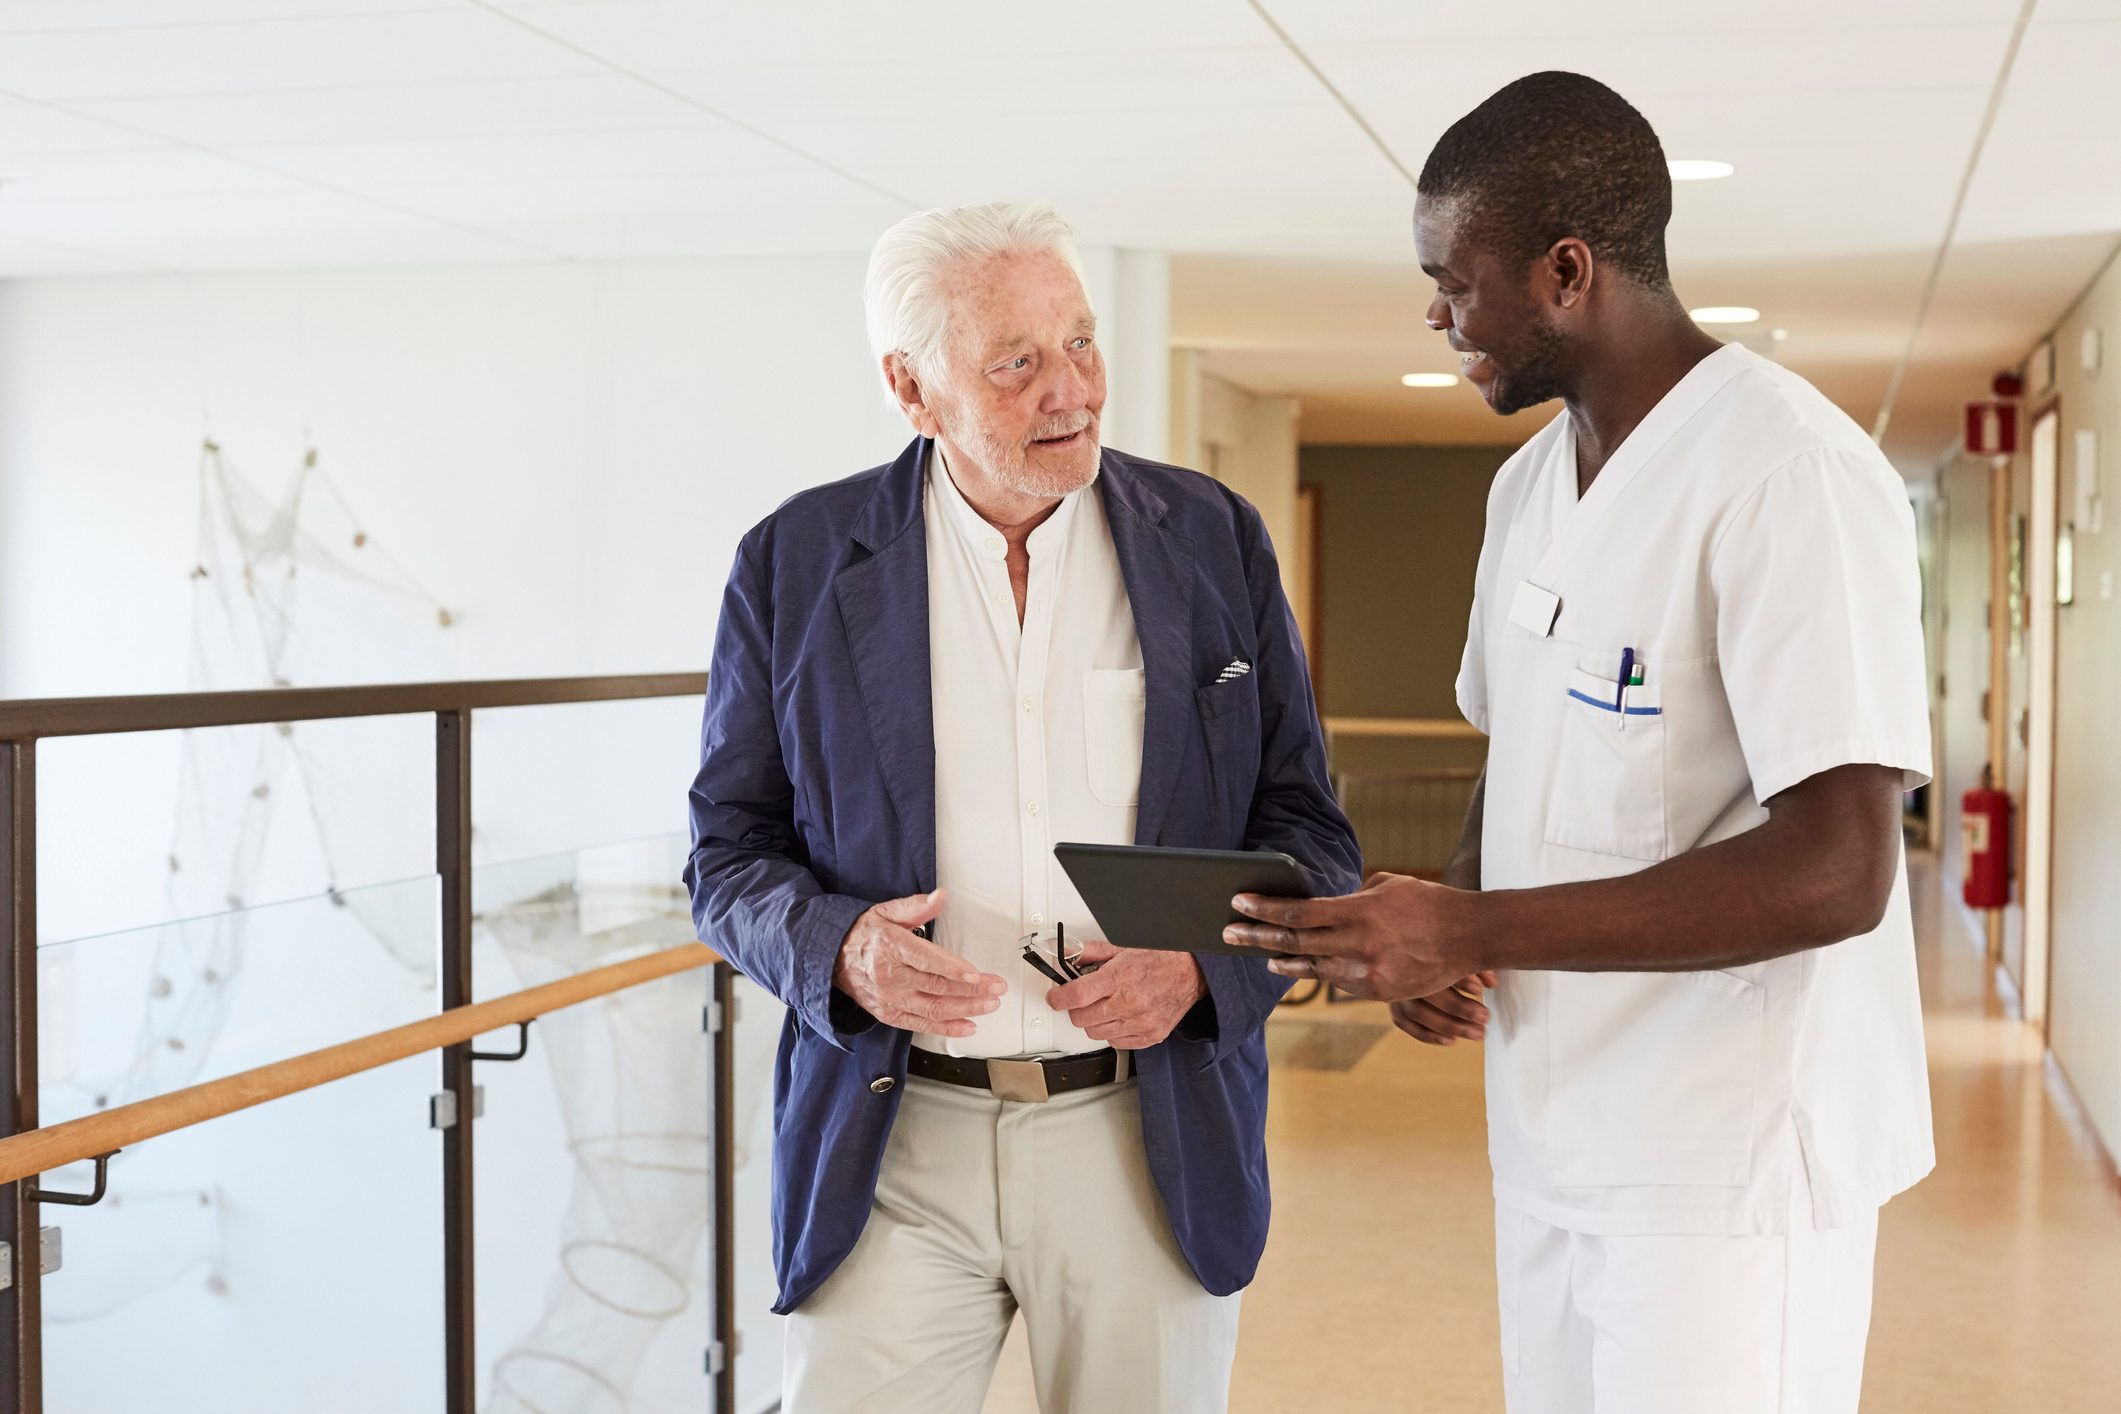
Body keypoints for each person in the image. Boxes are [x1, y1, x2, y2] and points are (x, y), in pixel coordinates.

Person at [1225, 72, 1934, 1414]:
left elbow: (1841, 868)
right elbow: (1527, 741)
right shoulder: (1527, 488)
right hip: (1555, 1127)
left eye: (1455, 281)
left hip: (1725, 1160)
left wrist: (1476, 930)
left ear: (1565, 271)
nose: (1436, 317)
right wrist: (1454, 911)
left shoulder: (1788, 476)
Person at [686, 200, 1359, 1414]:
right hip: (893, 1138)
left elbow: (1312, 833)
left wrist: (1203, 967)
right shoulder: (793, 561)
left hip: (1144, 1135)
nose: (1075, 390)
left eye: (1083, 343)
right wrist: (837, 947)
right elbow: (727, 856)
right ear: (912, 387)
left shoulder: (1212, 542)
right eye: (1019, 362)